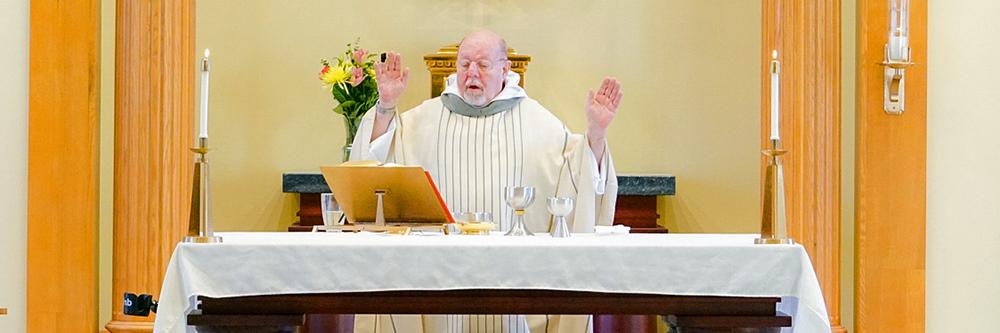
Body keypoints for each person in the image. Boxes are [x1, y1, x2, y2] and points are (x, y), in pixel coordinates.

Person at [350, 30, 623, 333]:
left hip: (517, 291)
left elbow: (578, 179)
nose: (471, 73)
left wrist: (596, 135)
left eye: (482, 64)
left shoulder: (540, 123)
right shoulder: (420, 121)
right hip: (436, 291)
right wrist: (386, 107)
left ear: (505, 69)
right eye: (464, 64)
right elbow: (373, 168)